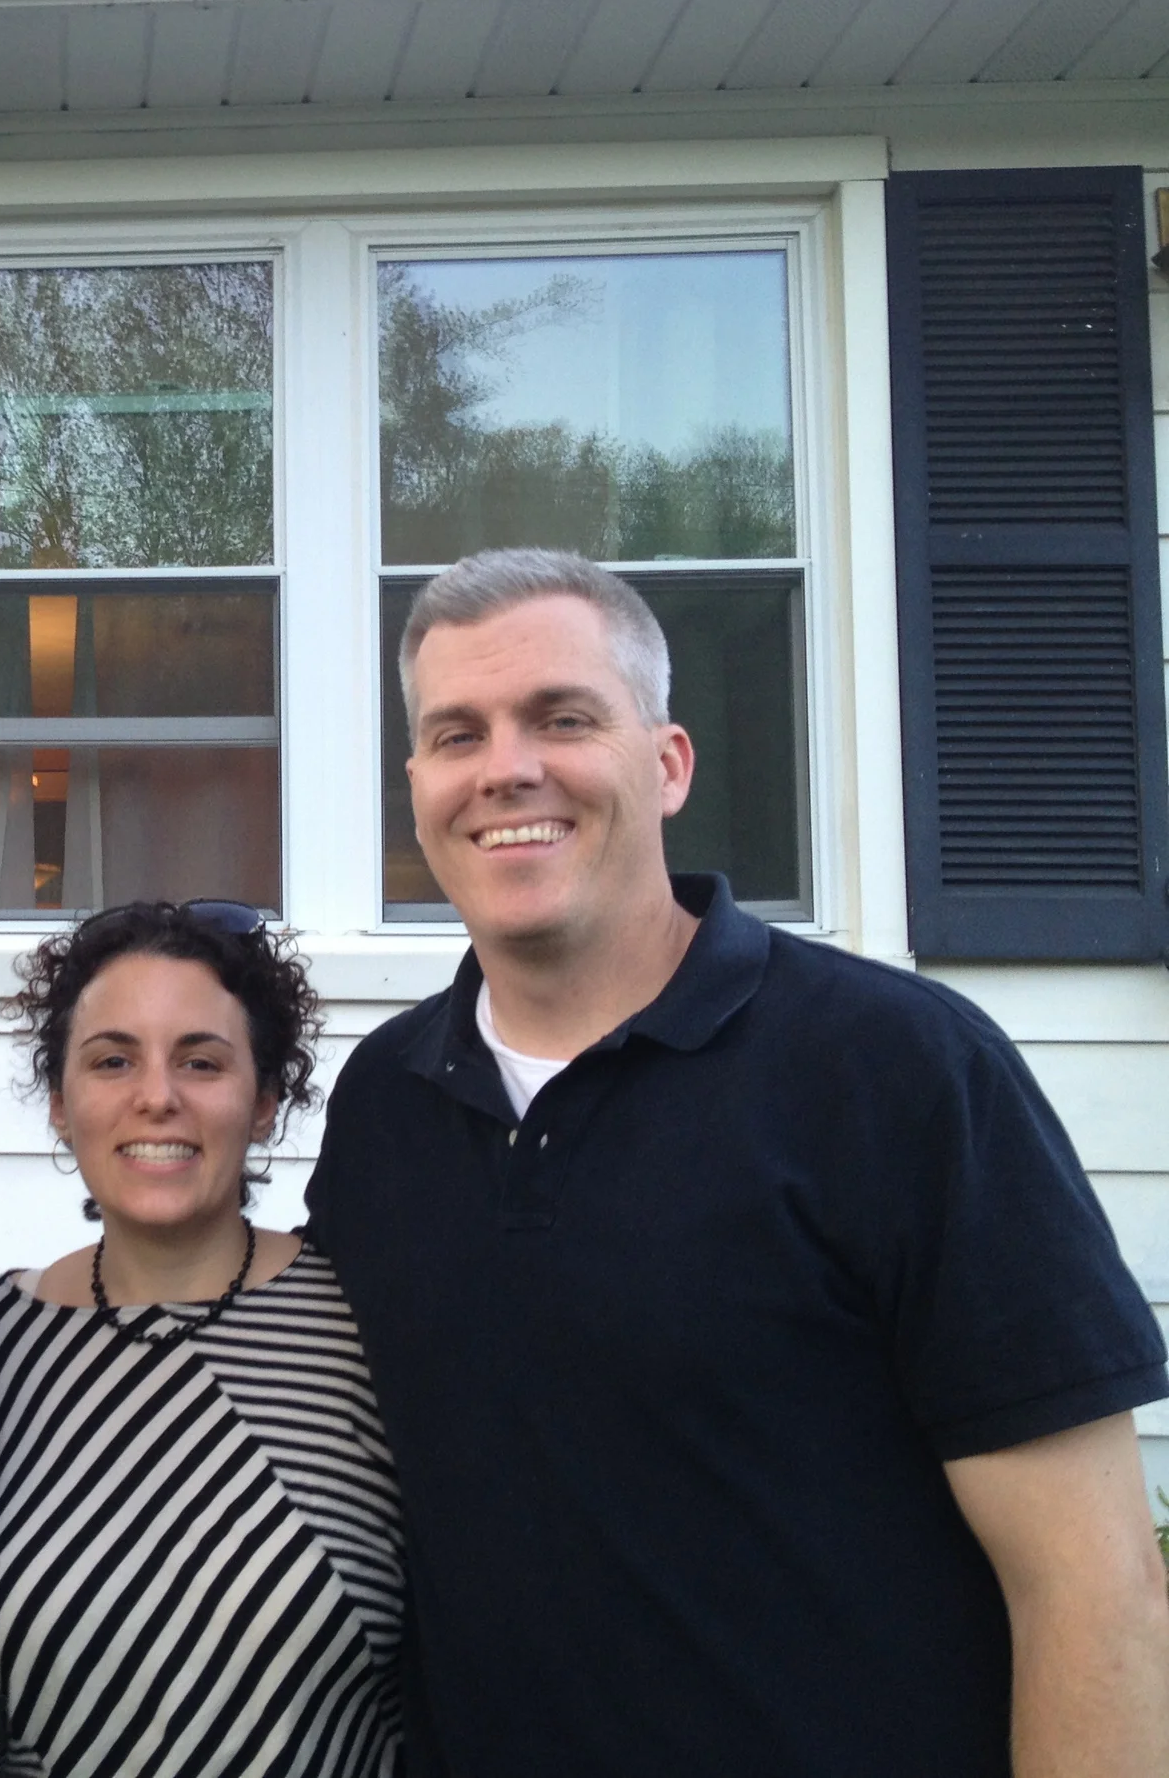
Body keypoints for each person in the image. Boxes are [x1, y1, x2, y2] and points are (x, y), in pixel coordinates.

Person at [308, 546, 1169, 1777]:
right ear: (418, 785)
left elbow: (1094, 1592)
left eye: (562, 718)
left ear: (666, 766)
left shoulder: (896, 1071)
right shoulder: (387, 1101)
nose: (507, 769)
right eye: (458, 734)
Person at [0, 900, 403, 1778]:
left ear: (266, 1101)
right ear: (58, 1104)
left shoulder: (370, 1323)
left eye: (201, 1060)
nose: (157, 1095)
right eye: (112, 1060)